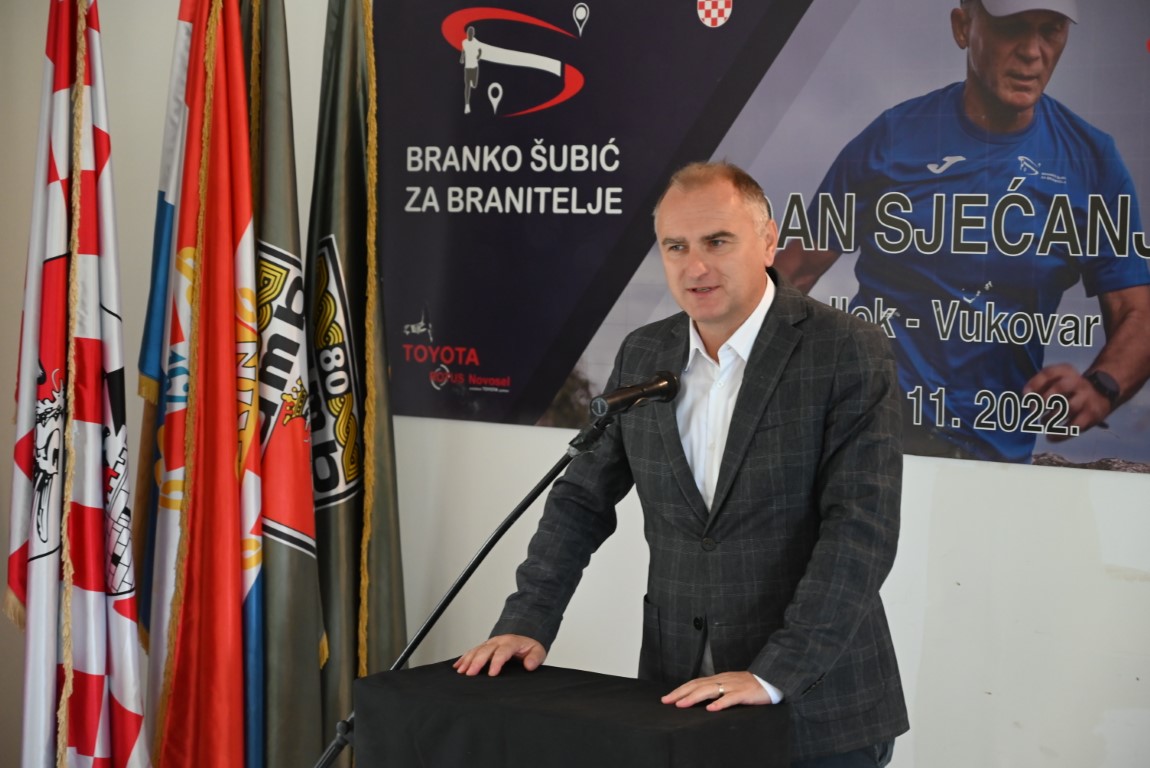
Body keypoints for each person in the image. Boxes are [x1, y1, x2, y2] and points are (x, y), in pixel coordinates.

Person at [456, 162, 909, 766]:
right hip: (677, 700)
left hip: (816, 709)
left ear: (768, 242)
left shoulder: (846, 349)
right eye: (676, 247)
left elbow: (860, 530)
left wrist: (774, 673)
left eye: (717, 242)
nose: (695, 267)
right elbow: (580, 500)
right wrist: (528, 620)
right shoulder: (645, 352)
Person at [775, 0, 1150, 463]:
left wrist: (1101, 387)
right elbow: (793, 272)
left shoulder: (1091, 160)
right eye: (1013, 28)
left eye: (1050, 30)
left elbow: (1136, 312)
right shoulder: (893, 136)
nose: (1032, 52)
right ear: (962, 27)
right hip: (869, 436)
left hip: (992, 459)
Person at [460, 26, 482, 114]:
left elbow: (480, 50)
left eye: (471, 33)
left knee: (475, 85)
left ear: (473, 34)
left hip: (475, 67)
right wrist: (462, 58)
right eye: (469, 33)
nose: (470, 34)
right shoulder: (464, 42)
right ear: (467, 34)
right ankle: (467, 105)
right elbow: (463, 50)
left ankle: (473, 82)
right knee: (467, 86)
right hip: (467, 68)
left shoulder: (476, 42)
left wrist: (479, 56)